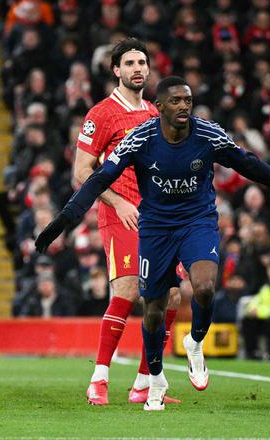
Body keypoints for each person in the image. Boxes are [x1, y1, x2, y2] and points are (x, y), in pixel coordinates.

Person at [36, 75, 270, 411]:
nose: (183, 106)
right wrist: (62, 222)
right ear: (159, 107)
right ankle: (154, 382)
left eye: (188, 100)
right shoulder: (140, 139)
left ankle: (195, 341)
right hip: (156, 229)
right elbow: (97, 180)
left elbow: (249, 164)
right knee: (154, 309)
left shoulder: (208, 134)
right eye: (175, 101)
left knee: (204, 288)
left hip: (196, 222)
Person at [72, 38, 181, 406]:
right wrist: (117, 201)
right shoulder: (101, 114)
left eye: (142, 62)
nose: (138, 68)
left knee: (172, 296)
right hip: (120, 213)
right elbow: (81, 171)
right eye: (130, 63)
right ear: (116, 70)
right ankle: (99, 379)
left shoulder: (154, 112)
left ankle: (144, 384)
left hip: (157, 216)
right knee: (129, 289)